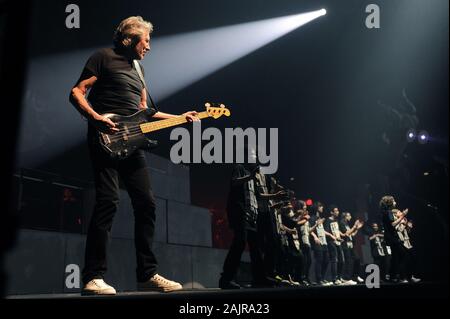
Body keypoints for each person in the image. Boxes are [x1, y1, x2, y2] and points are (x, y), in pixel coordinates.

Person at [69, 16, 199, 295]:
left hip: (132, 143)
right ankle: (93, 276)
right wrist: (95, 118)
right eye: (146, 41)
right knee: (108, 201)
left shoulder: (138, 70)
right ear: (130, 39)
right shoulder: (102, 57)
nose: (149, 47)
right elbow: (77, 92)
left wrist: (180, 118)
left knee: (147, 204)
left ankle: (147, 273)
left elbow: (145, 110)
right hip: (105, 137)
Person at [379, 195, 409, 283]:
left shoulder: (386, 212)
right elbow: (393, 224)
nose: (395, 202)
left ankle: (393, 275)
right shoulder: (388, 212)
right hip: (392, 237)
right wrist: (402, 215)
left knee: (396, 256)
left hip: (391, 237)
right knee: (402, 254)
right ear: (390, 203)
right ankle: (397, 275)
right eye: (394, 201)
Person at [309, 202, 331, 286]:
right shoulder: (312, 218)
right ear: (316, 208)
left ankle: (322, 278)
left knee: (326, 260)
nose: (322, 207)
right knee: (319, 260)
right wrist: (315, 237)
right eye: (321, 206)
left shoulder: (320, 217)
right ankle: (319, 279)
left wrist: (330, 235)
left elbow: (321, 229)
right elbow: (309, 230)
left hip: (324, 241)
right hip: (317, 242)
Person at [339, 212, 364, 283]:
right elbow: (346, 234)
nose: (350, 217)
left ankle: (355, 276)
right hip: (345, 245)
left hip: (350, 245)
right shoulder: (341, 223)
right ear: (345, 217)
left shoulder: (347, 224)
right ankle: (346, 278)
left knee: (357, 259)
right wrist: (354, 226)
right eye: (349, 215)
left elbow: (352, 234)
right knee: (349, 261)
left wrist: (357, 229)